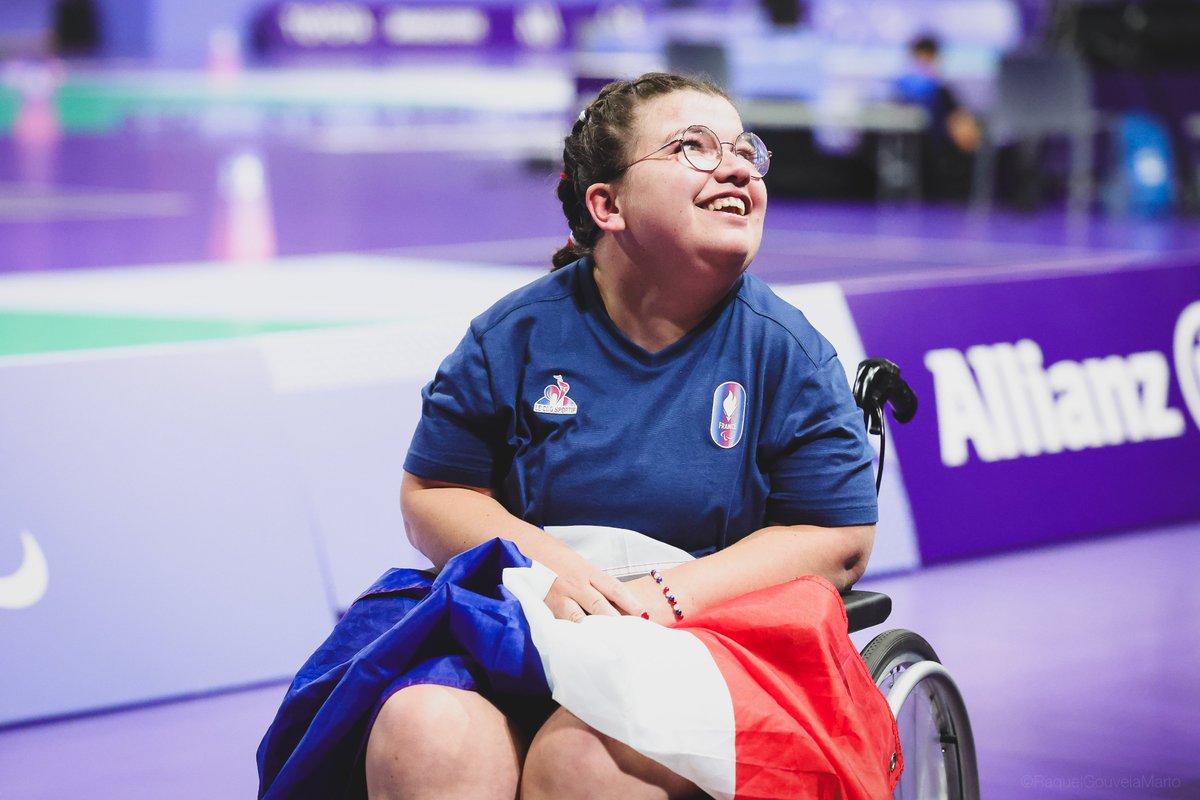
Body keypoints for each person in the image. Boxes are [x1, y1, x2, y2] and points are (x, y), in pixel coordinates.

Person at [362, 72, 880, 800]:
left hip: (711, 635)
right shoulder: (512, 336)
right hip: (538, 618)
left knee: (583, 765)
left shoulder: (787, 351)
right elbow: (437, 491)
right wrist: (550, 570)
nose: (734, 166)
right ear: (607, 204)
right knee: (423, 732)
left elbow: (837, 538)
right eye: (691, 148)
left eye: (743, 151)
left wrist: (662, 598)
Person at [894, 34, 982, 201]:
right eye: (922, 55)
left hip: (940, 142)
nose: (925, 60)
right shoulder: (908, 84)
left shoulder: (941, 87)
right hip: (924, 140)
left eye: (929, 55)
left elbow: (958, 115)